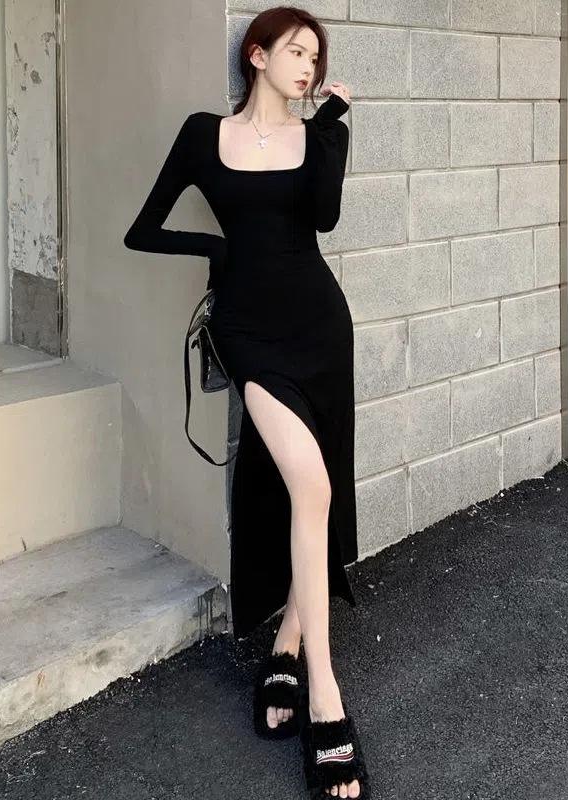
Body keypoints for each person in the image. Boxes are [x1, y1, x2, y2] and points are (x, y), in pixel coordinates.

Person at [123, 6, 370, 799]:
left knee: (314, 488)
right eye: (296, 51)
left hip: (320, 326)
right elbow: (143, 229)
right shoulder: (206, 135)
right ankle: (326, 696)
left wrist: (330, 126)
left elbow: (323, 215)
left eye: (315, 57)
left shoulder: (318, 135)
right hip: (250, 334)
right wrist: (216, 247)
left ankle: (290, 647)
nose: (308, 66)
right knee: (309, 486)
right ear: (256, 55)